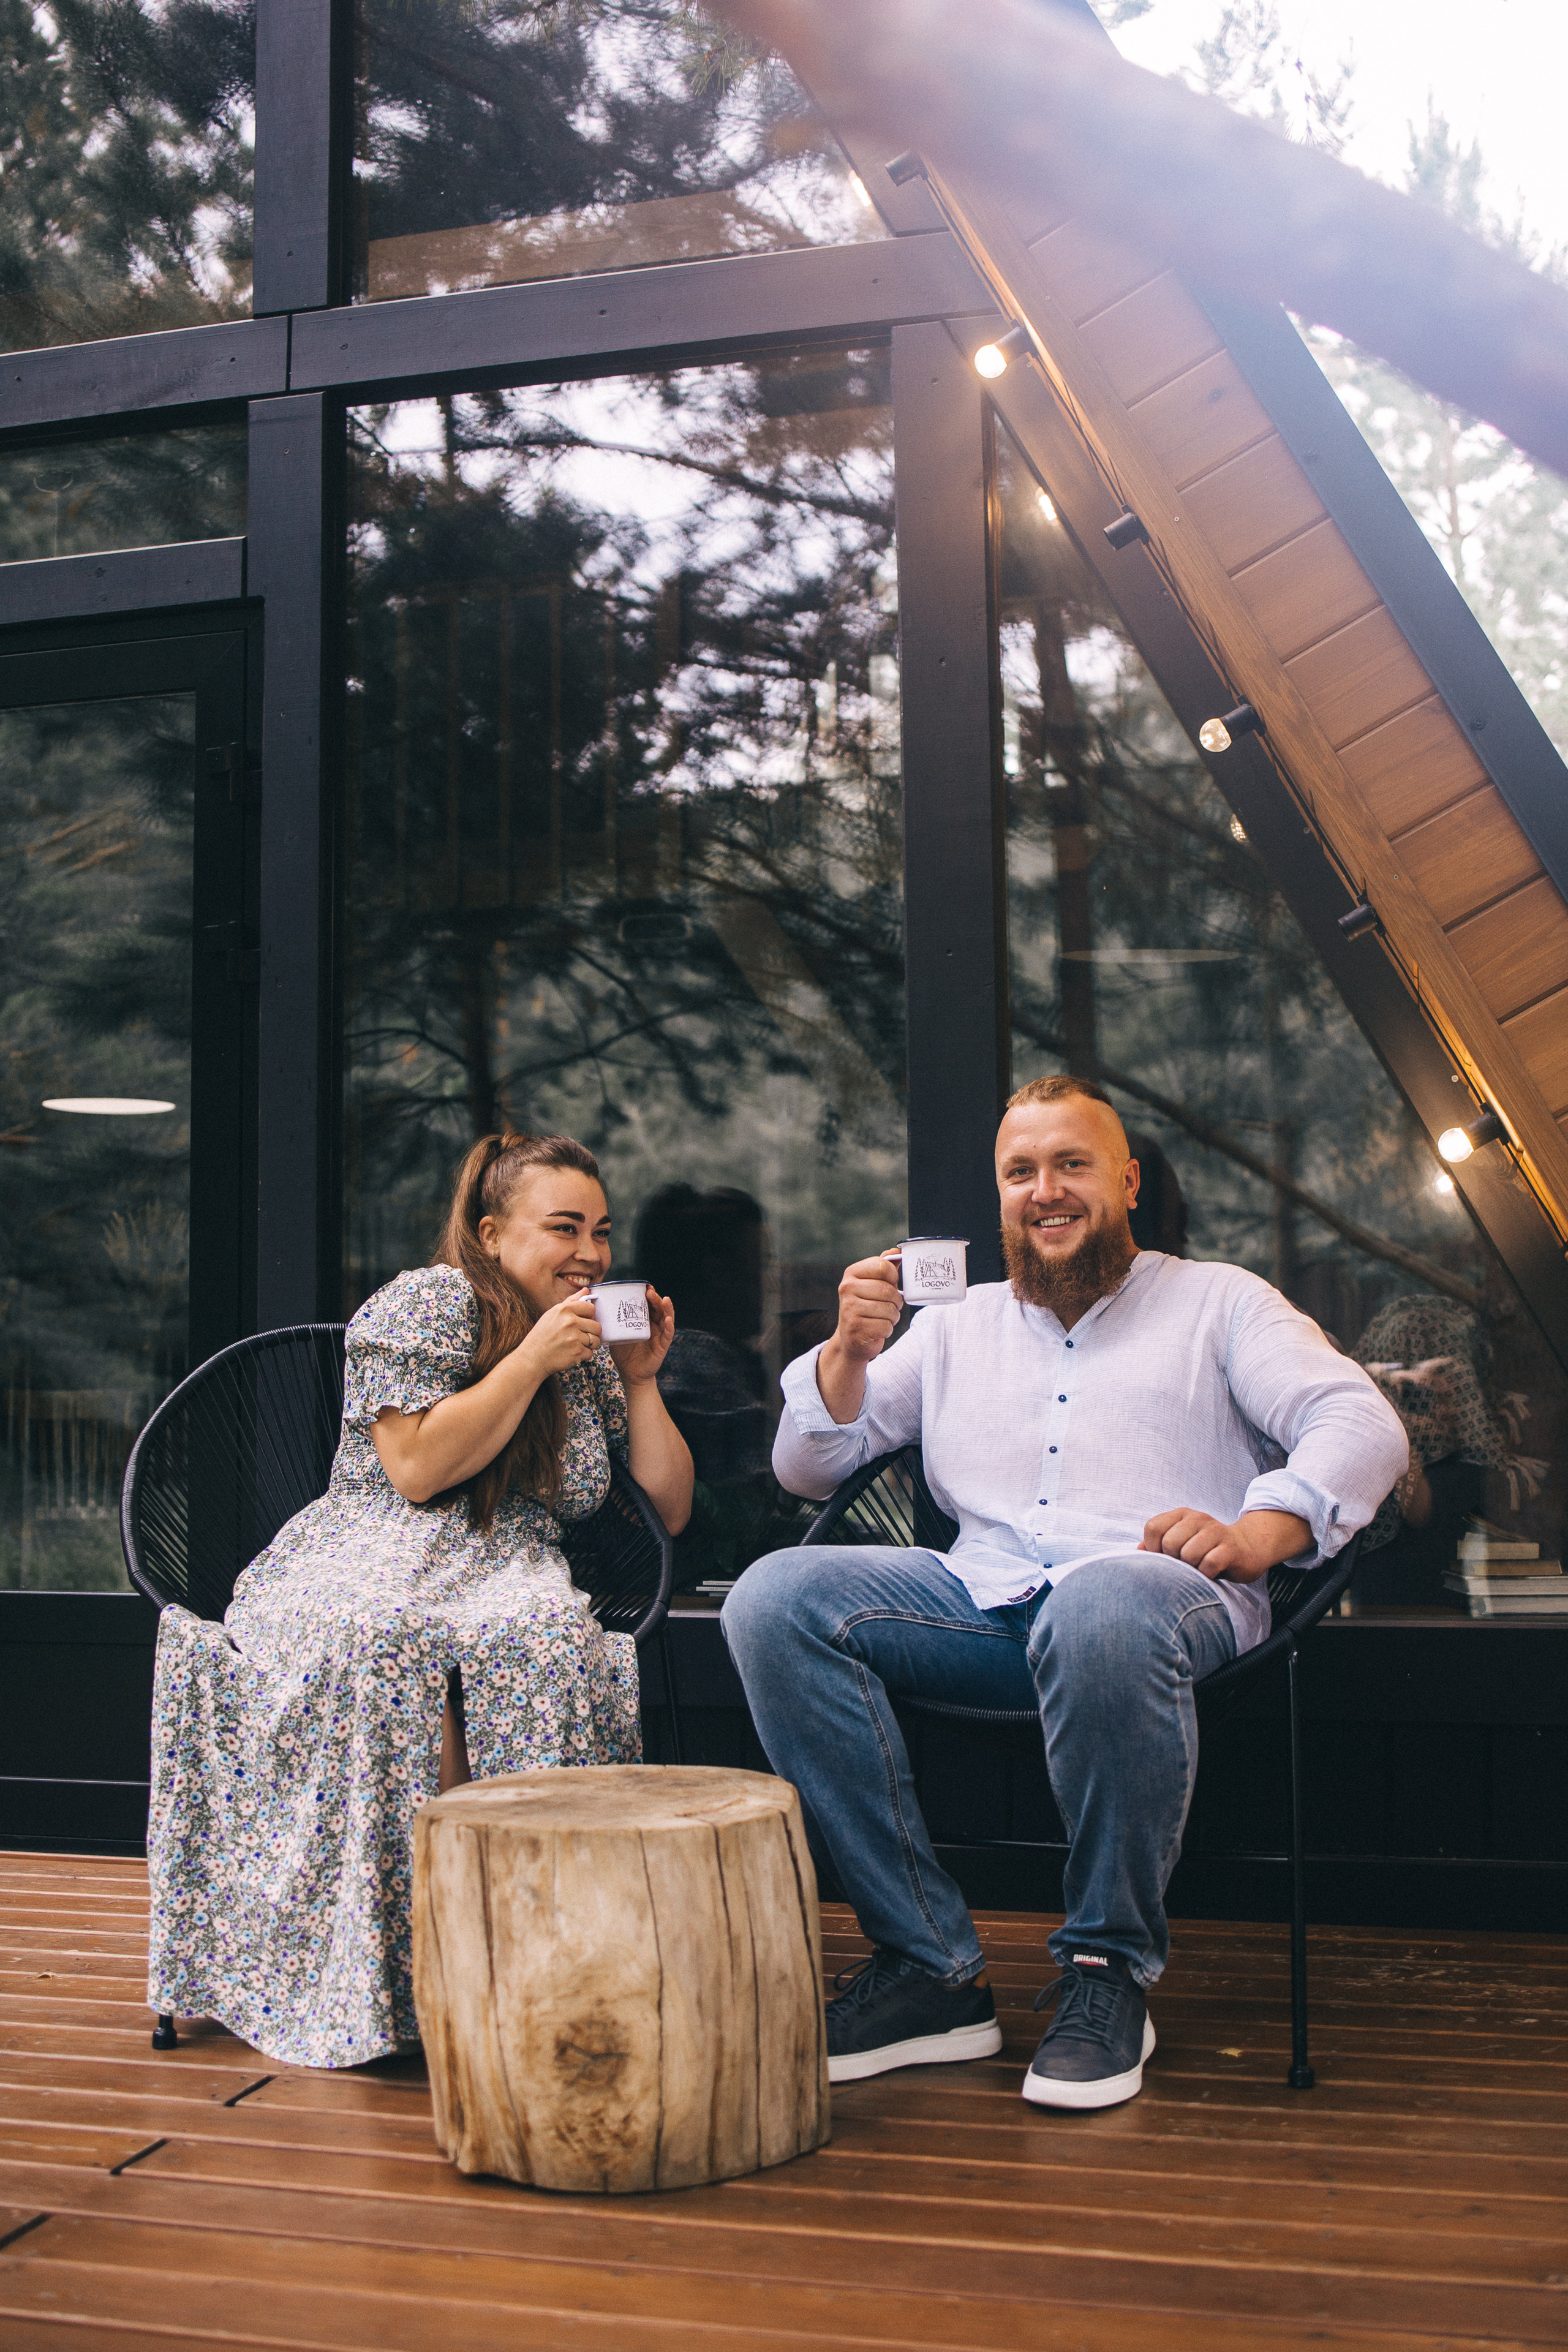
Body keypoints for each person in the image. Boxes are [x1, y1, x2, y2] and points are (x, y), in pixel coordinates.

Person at [722, 1075, 1405, 2110]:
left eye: (1071, 1164)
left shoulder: (1221, 1301)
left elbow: (1361, 1425)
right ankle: (930, 1970)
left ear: (1126, 1182)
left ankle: (1105, 1973)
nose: (1046, 1190)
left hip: (1160, 1599)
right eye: (1021, 1171)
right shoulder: (956, 1324)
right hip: (983, 1604)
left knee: (1099, 1605)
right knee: (772, 1600)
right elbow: (809, 1470)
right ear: (1001, 1195)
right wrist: (846, 1356)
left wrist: (1258, 1532)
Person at [146, 1131, 693, 2068]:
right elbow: (415, 1468)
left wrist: (639, 1384)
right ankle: (408, 1973)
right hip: (370, 1553)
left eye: (601, 1231)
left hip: (509, 1562)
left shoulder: (590, 1342)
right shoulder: (430, 1301)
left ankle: (521, 1961)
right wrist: (528, 1361)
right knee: (388, 1643)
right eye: (564, 1228)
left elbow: (668, 1509)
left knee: (545, 1642)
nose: (592, 1255)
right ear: (490, 1231)